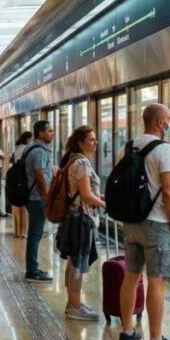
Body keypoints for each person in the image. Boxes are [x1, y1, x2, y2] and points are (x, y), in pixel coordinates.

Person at [118, 103, 170, 340]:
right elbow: (169, 191)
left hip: (131, 222)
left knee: (131, 276)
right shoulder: (164, 149)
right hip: (156, 224)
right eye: (169, 119)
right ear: (160, 123)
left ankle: (127, 332)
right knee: (157, 281)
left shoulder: (128, 147)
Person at [55, 126, 105, 321]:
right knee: (78, 264)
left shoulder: (72, 160)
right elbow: (85, 195)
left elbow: (83, 192)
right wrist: (104, 204)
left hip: (72, 217)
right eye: (91, 140)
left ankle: (72, 302)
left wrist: (98, 197)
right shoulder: (82, 163)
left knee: (73, 261)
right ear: (81, 143)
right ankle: (75, 307)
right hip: (81, 220)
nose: (95, 143)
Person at [24, 120, 55, 284]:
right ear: (41, 133)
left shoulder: (30, 147)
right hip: (38, 198)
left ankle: (32, 268)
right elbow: (40, 175)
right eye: (50, 131)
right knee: (35, 235)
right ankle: (32, 271)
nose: (52, 134)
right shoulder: (40, 152)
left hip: (32, 196)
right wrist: (48, 196)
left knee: (34, 234)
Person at [11, 131, 33, 238]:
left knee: (16, 207)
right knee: (23, 208)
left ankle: (17, 232)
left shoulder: (17, 148)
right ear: (28, 139)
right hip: (23, 179)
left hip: (15, 179)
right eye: (32, 139)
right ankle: (23, 232)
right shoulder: (26, 149)